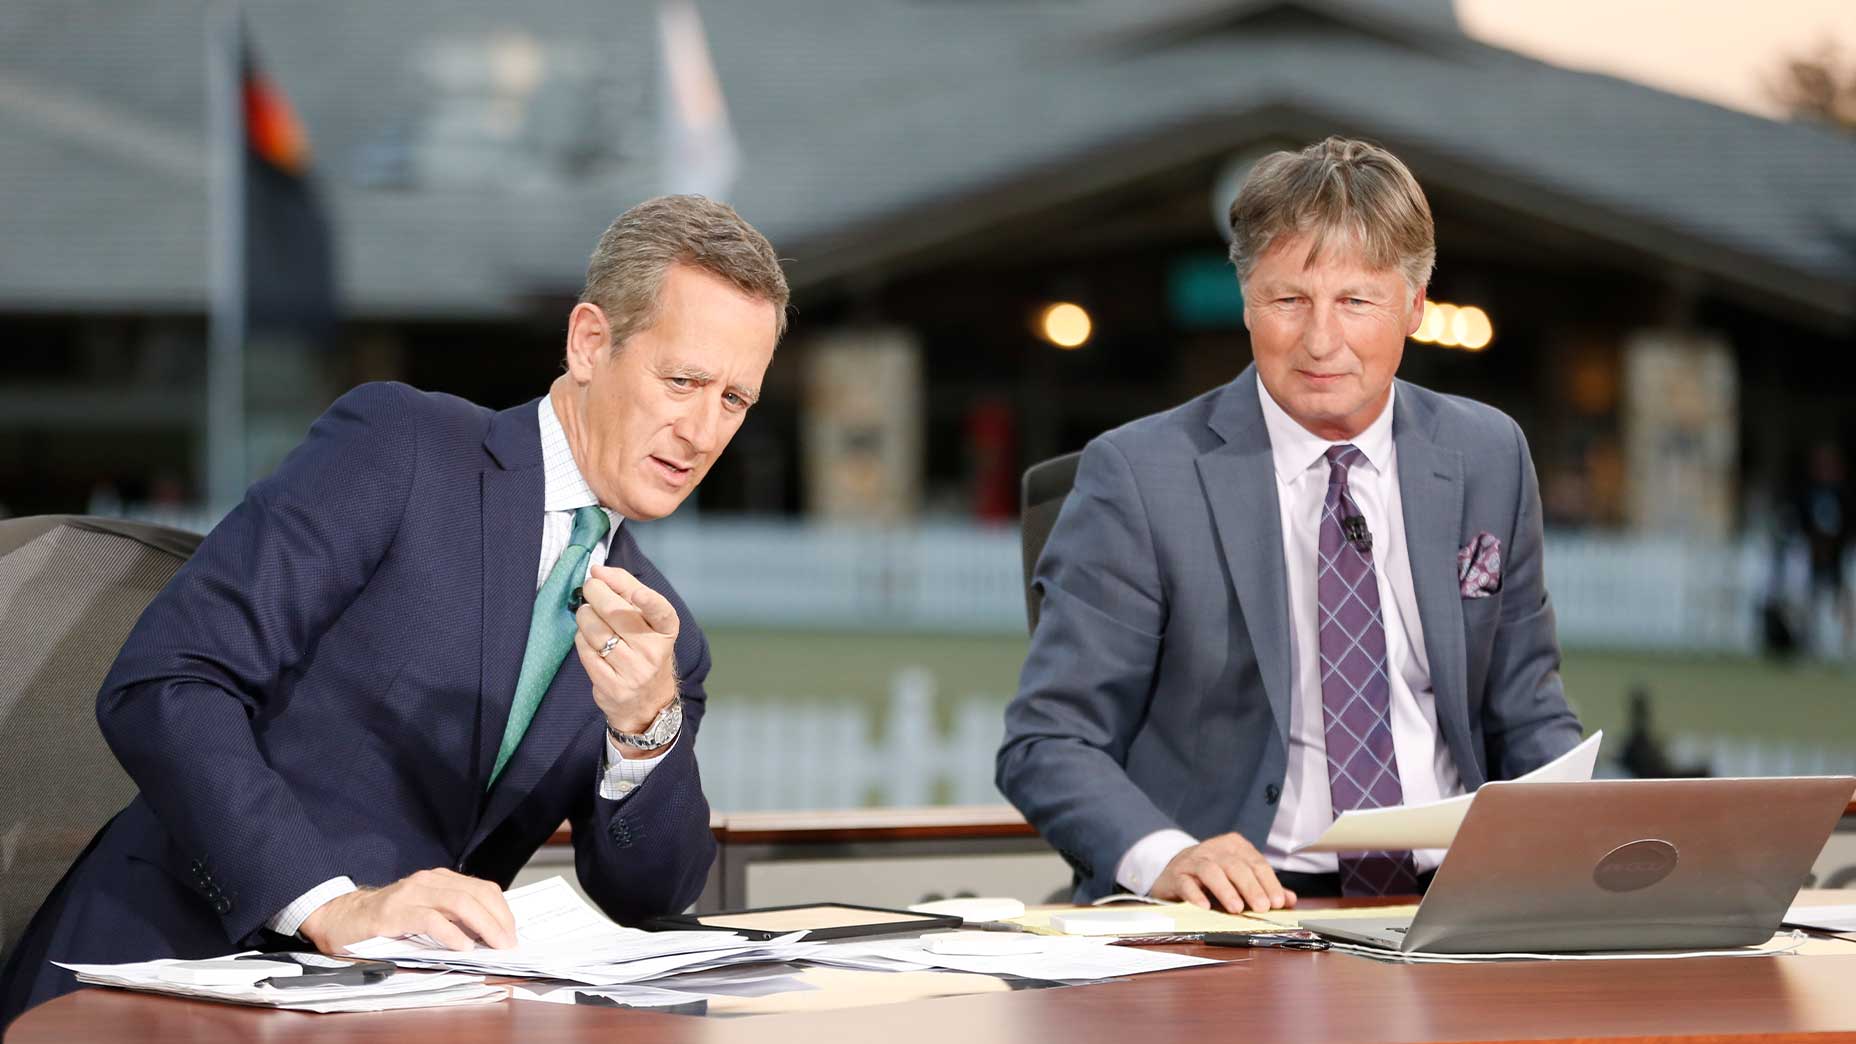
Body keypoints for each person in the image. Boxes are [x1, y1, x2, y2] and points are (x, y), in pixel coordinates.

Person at [0, 194, 787, 1027]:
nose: (703, 431)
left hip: (388, 1016)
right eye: (683, 381)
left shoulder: (662, 644)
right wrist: (328, 905)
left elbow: (651, 896)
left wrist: (646, 730)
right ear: (590, 342)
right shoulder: (402, 448)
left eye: (734, 400)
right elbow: (166, 682)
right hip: (160, 977)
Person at [996, 138, 1582, 913]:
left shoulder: (1489, 454)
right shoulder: (1140, 476)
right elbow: (1049, 741)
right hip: (1236, 914)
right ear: (1247, 300)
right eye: (1288, 301)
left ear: (1414, 305)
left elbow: (1528, 712)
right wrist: (1167, 858)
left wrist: (1586, 849)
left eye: (1357, 302)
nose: (1321, 341)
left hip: (1457, 902)